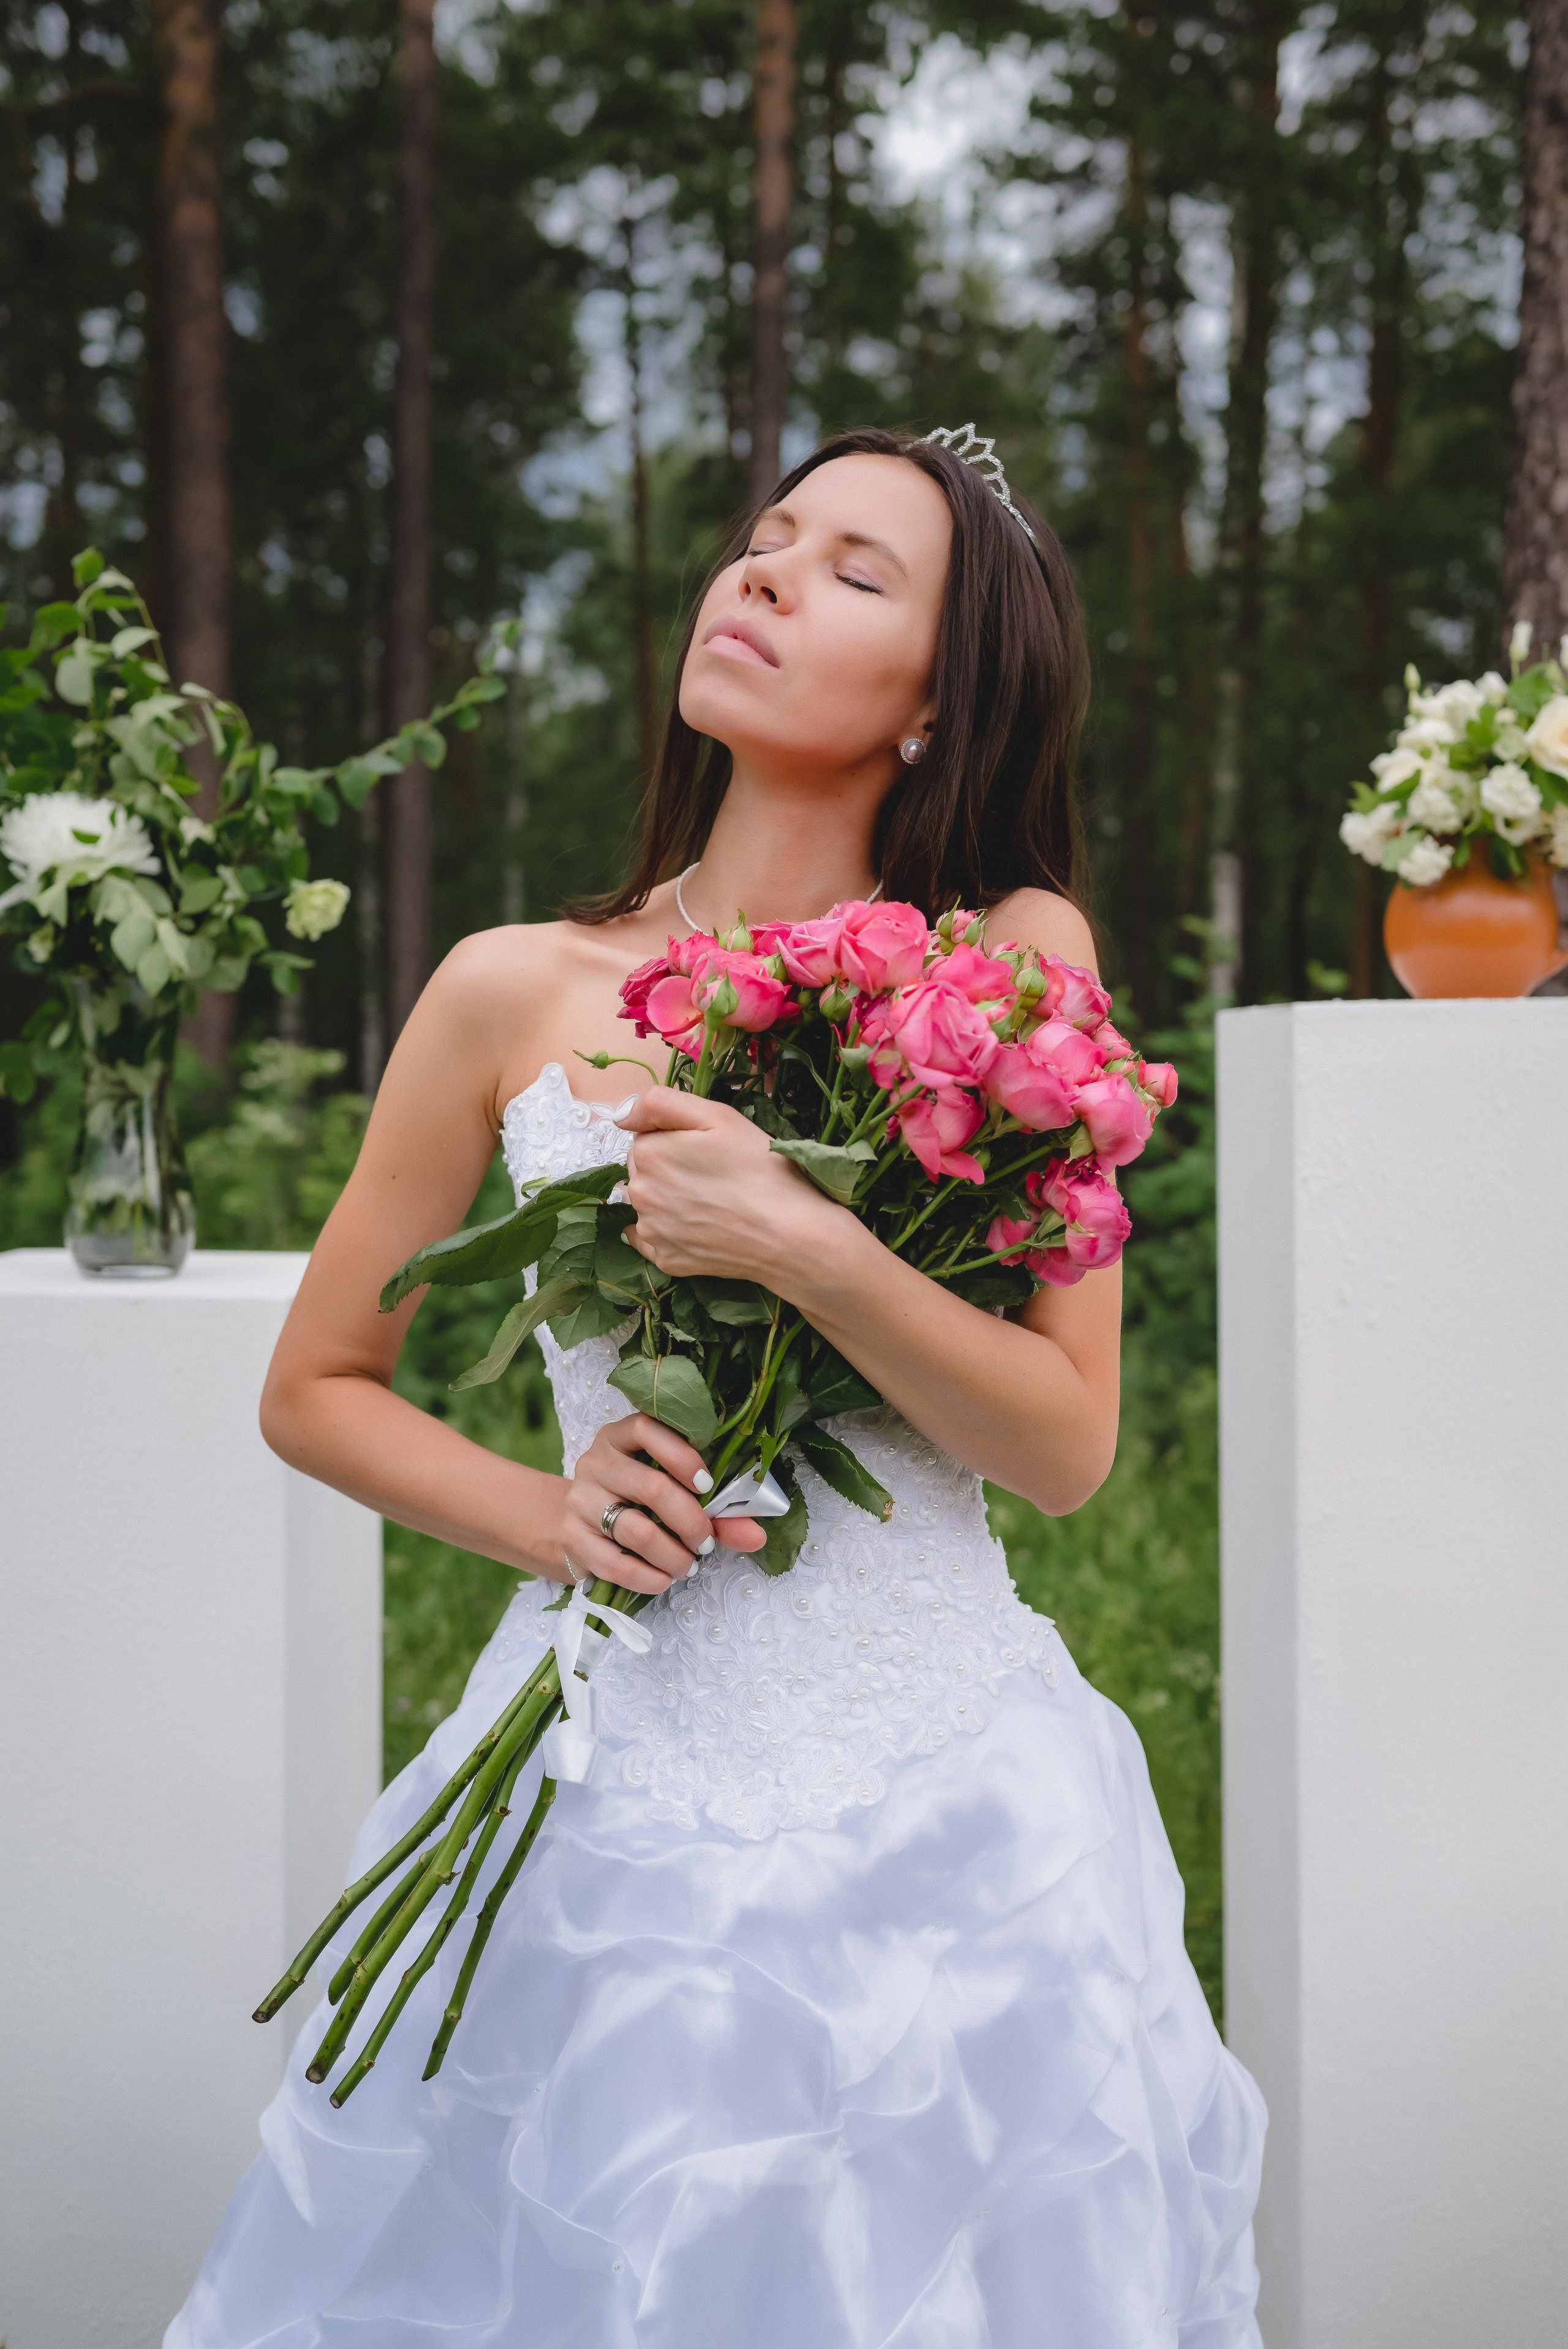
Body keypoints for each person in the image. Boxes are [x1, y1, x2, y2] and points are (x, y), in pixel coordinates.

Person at [167, 426, 1265, 2348]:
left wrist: (803, 1240)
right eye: (766, 539)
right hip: (605, 1778)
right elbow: (318, 1382)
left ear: (943, 702)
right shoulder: (514, 987)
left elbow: (1069, 1445)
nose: (762, 575)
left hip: (952, 1816)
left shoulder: (1011, 967)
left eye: (854, 570)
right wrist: (553, 1510)